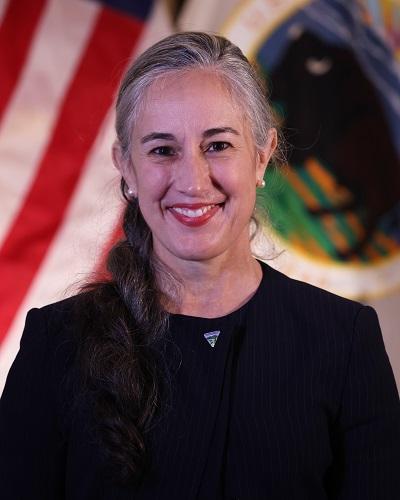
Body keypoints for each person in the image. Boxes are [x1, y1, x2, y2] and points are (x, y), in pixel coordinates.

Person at [0, 31, 399, 500]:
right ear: (125, 166)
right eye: (162, 150)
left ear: (262, 155)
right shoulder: (57, 343)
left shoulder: (345, 340)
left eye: (218, 145)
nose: (192, 181)